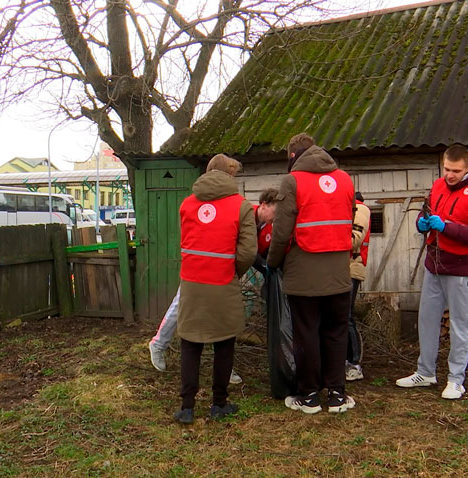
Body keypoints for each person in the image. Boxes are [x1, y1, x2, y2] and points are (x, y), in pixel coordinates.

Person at [396, 144, 468, 399]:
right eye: (446, 169)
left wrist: (446, 227)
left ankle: (456, 380)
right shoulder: (439, 185)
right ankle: (425, 372)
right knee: (427, 320)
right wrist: (422, 223)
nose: (449, 175)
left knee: (459, 324)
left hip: (462, 267)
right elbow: (427, 211)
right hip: (434, 262)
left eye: (455, 170)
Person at [148, 187, 278, 382]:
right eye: (275, 211)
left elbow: (259, 252)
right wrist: (260, 265)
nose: (275, 218)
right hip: (203, 266)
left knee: (224, 317)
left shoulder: (267, 226)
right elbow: (244, 249)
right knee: (182, 302)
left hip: (226, 272)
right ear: (264, 205)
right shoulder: (242, 212)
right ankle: (159, 343)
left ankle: (225, 367)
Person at [267, 133, 356, 414]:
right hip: (339, 272)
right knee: (336, 332)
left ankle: (308, 396)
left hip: (303, 272)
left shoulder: (293, 181)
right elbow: (349, 218)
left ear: (293, 156)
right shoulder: (344, 178)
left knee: (306, 334)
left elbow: (281, 232)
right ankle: (337, 394)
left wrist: (273, 262)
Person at [173, 154, 256, 423]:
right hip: (222, 282)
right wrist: (234, 271)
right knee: (224, 343)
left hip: (192, 282)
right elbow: (248, 251)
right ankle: (219, 403)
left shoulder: (187, 204)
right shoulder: (241, 206)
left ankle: (187, 406)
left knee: (190, 341)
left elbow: (185, 242)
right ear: (230, 175)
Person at [346, 191, 371, 381]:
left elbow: (354, 241)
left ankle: (354, 362)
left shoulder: (360, 209)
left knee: (346, 316)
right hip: (340, 269)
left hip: (351, 268)